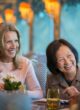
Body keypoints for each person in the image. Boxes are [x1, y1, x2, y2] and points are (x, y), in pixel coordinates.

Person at [0, 22, 43, 100]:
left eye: (16, 41)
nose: (14, 46)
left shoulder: (25, 63)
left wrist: (22, 92)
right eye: (9, 42)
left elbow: (39, 93)